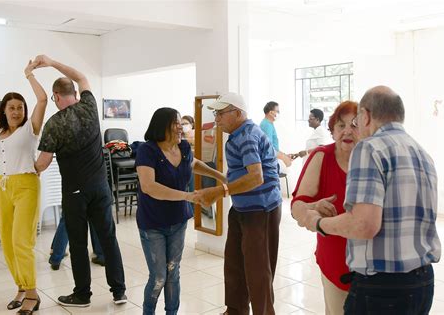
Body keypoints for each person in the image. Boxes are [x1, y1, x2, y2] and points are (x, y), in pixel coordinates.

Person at [300, 86, 442, 314]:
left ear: (365, 116)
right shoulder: (422, 153)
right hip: (422, 282)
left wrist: (318, 223)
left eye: (355, 121)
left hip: (382, 287)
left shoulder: (369, 149)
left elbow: (364, 225)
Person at [33, 55, 127, 307]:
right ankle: (119, 291)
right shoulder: (89, 106)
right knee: (108, 239)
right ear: (74, 92)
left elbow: (41, 163)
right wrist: (51, 62)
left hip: (75, 193)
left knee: (77, 243)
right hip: (100, 187)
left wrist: (27, 168)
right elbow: (82, 76)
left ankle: (82, 295)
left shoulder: (53, 124)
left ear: (55, 96)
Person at [196, 92, 282, 315]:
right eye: (215, 114)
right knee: (234, 263)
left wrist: (220, 191)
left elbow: (256, 177)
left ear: (237, 113)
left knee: (258, 270)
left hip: (260, 210)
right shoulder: (238, 134)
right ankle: (235, 310)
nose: (217, 119)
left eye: (221, 114)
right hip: (242, 207)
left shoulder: (247, 136)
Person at [136, 107, 226, 315]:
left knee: (173, 272)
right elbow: (149, 187)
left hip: (178, 221)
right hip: (153, 223)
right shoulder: (147, 150)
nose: (181, 127)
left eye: (181, 123)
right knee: (159, 276)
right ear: (162, 125)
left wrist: (219, 175)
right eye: (176, 123)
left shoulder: (184, 147)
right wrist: (187, 196)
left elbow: (193, 163)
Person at [0, 60, 47, 314]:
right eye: (11, 108)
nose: (15, 111)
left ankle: (32, 294)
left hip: (26, 185)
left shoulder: (29, 130)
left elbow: (42, 100)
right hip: (2, 187)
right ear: (4, 110)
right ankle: (21, 287)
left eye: (20, 107)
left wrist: (29, 75)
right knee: (8, 244)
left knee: (22, 241)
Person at [291, 101, 358, 314]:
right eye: (341, 125)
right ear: (333, 130)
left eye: (354, 124)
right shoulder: (322, 156)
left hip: (376, 266)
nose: (347, 130)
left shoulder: (373, 159)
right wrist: (313, 207)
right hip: (336, 258)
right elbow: (297, 205)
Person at [259, 101, 293, 170]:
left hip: (271, 160)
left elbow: (274, 147)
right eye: (277, 111)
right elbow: (268, 149)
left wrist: (284, 155)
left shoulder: (269, 124)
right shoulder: (266, 125)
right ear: (271, 112)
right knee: (288, 168)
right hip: (268, 163)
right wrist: (284, 157)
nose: (278, 113)